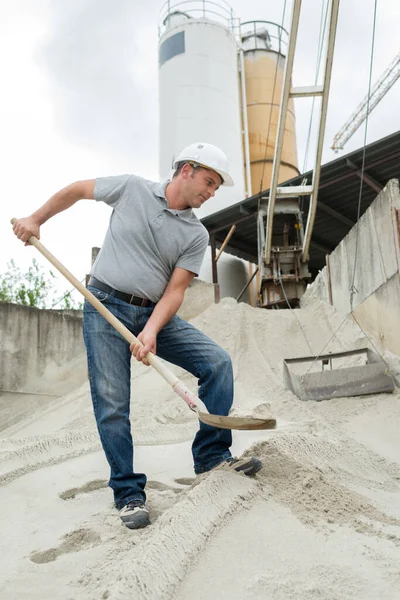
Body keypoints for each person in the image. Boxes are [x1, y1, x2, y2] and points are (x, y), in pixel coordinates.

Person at [12, 142, 262, 530]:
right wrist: (36, 218)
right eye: (209, 182)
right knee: (113, 404)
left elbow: (175, 291)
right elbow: (78, 189)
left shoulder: (196, 234)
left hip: (152, 312)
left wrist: (150, 331)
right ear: (186, 170)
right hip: (104, 305)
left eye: (216, 188)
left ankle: (211, 457)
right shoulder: (131, 188)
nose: (211, 193)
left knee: (217, 363)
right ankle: (128, 493)